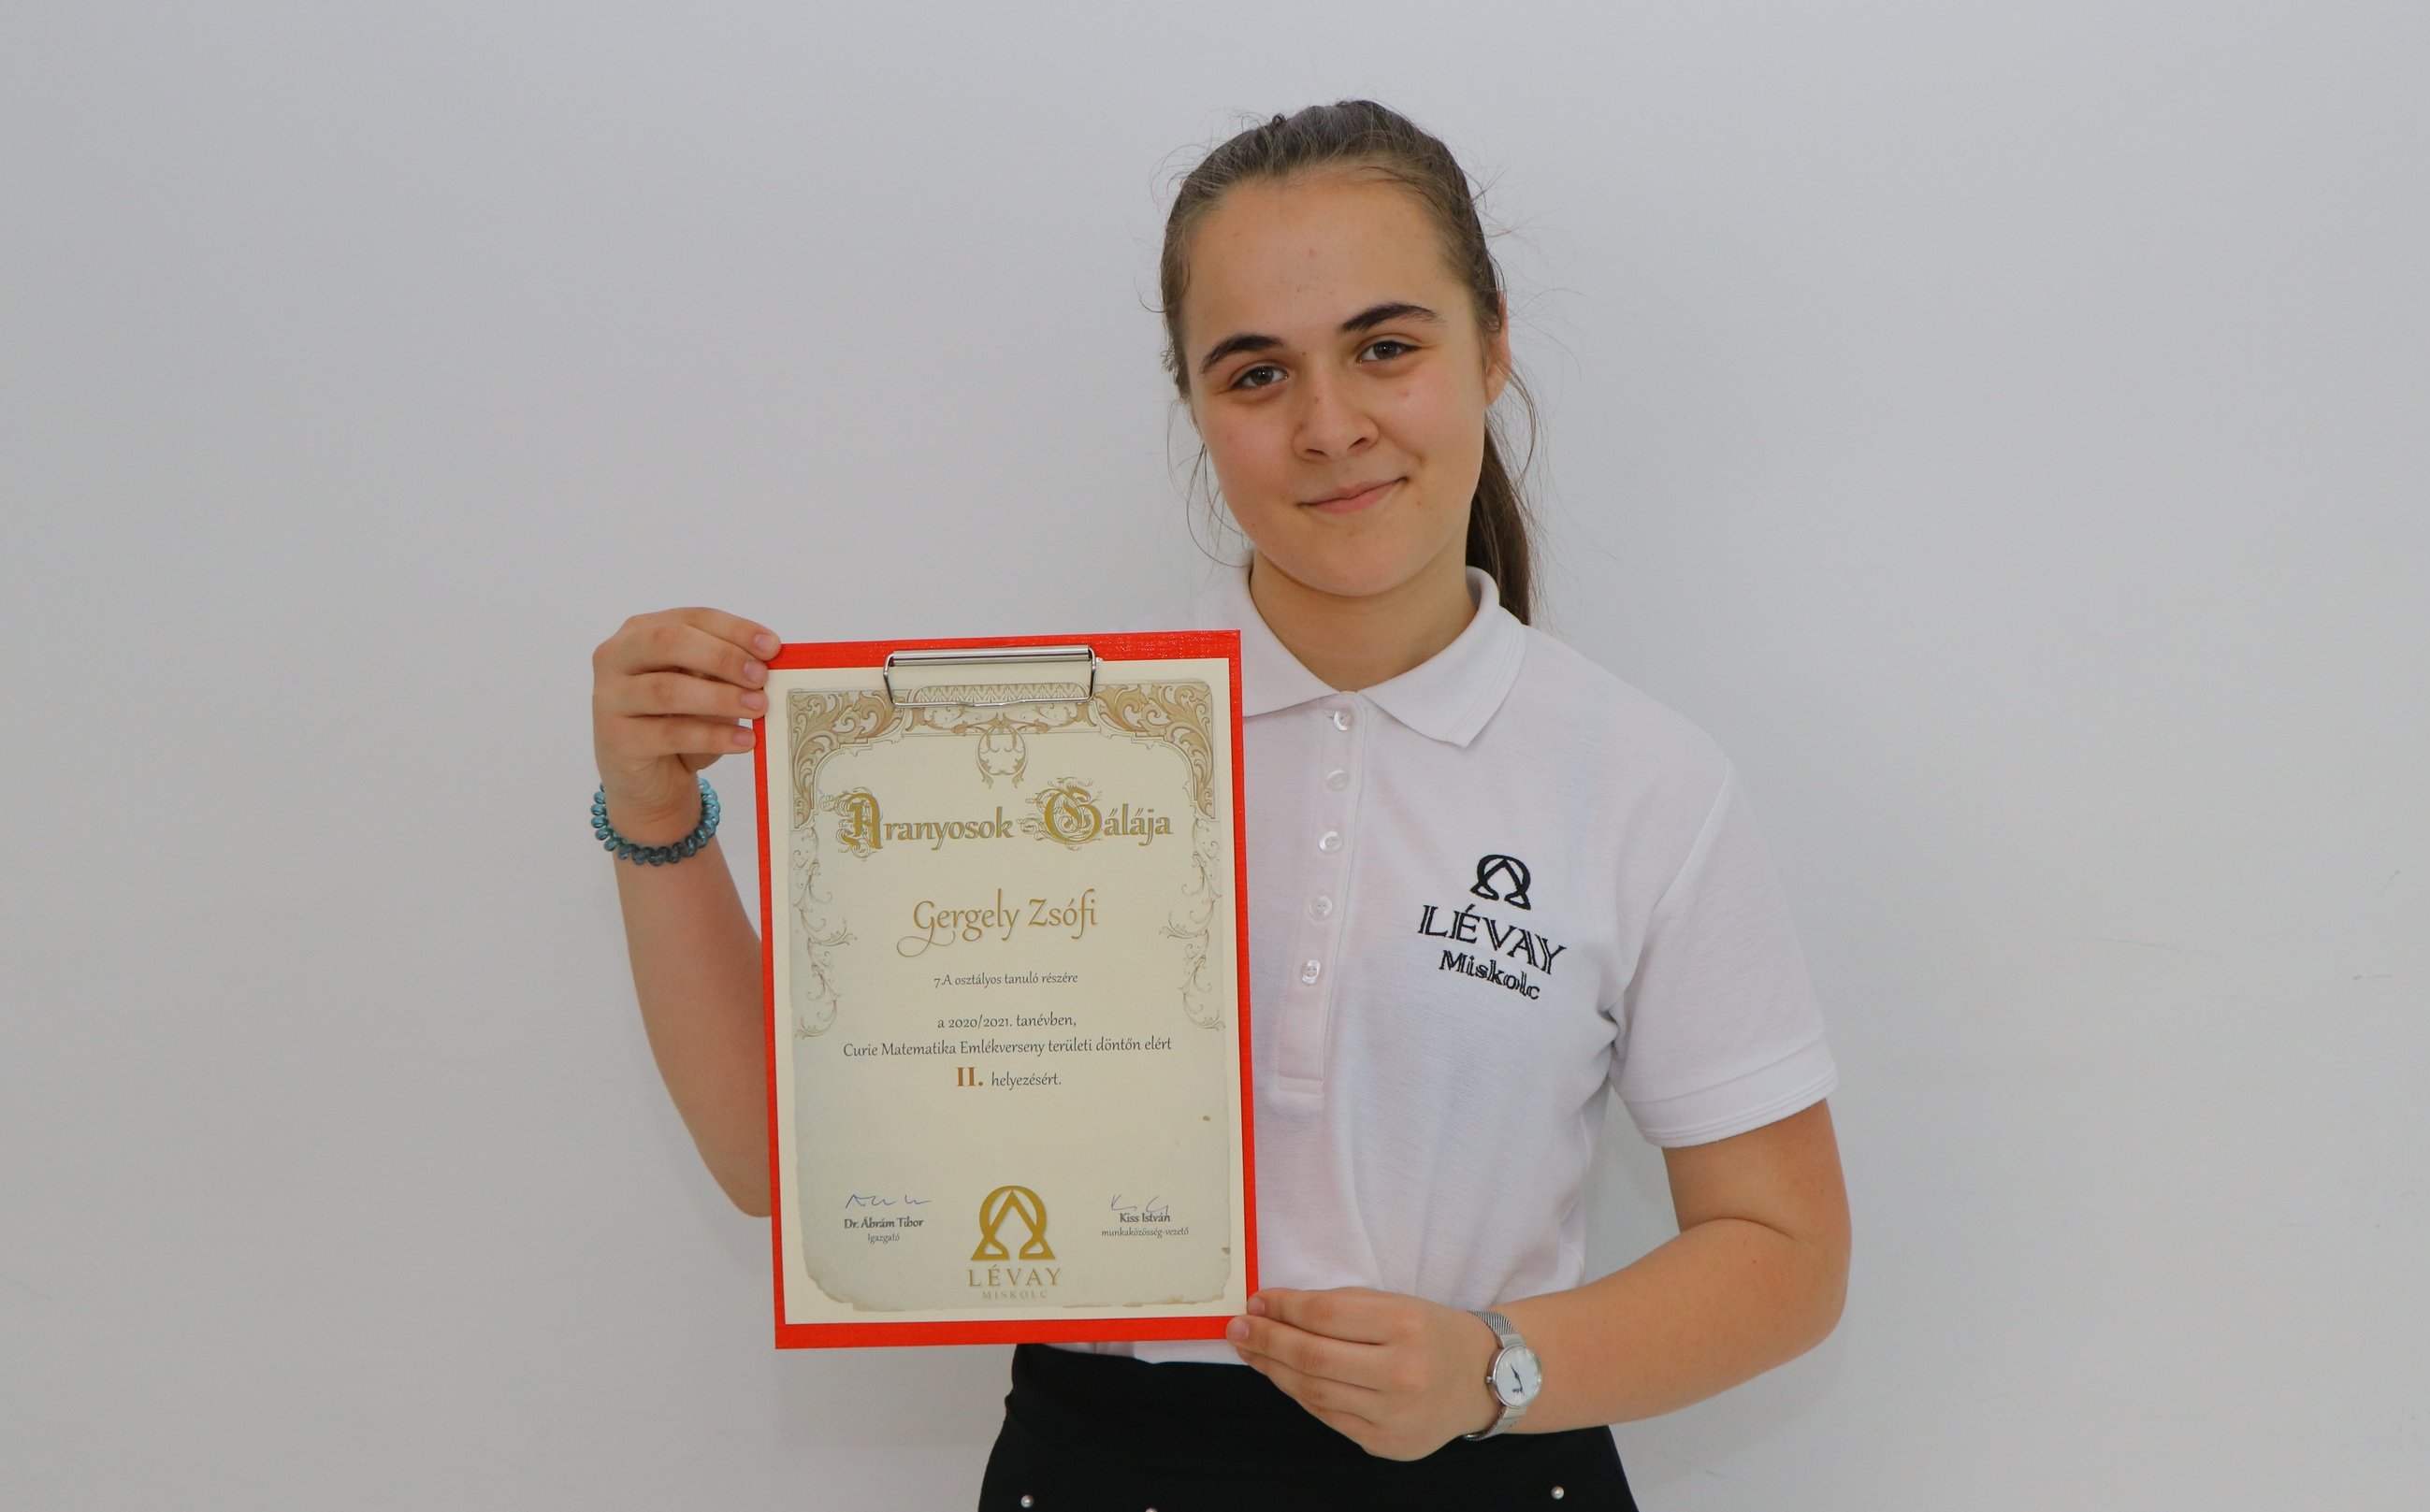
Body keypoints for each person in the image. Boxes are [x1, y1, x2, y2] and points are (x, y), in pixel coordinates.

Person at [589, 100, 1849, 1510]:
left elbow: (1785, 1251)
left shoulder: (1641, 779)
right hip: (1095, 1471)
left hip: (1490, 1470)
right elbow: (779, 1166)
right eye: (1257, 374)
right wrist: (655, 816)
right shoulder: (1031, 759)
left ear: (1491, 344)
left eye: (1386, 346)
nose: (1330, 426)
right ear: (1194, 403)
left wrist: (1494, 1367)